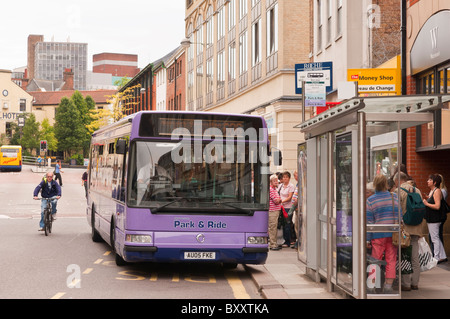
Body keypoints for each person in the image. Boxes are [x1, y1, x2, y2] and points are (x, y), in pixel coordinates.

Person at [366, 174, 399, 293]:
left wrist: (367, 239)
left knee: (375, 260)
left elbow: (369, 221)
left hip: (377, 235)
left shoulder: (370, 200)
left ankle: (371, 285)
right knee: (391, 260)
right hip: (392, 234)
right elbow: (399, 216)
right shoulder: (393, 197)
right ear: (386, 184)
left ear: (375, 184)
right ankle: (388, 286)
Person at [394, 171, 424, 291]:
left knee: (405, 257)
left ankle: (406, 284)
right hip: (416, 228)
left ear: (397, 180)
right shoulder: (417, 191)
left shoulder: (398, 191)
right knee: (415, 257)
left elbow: (397, 210)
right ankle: (415, 283)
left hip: (404, 229)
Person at [423, 174, 447, 263]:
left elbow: (437, 206)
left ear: (435, 182)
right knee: (435, 237)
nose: (427, 181)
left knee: (434, 238)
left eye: (429, 180)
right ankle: (442, 255)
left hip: (435, 219)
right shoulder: (432, 191)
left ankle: (436, 257)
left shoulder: (437, 191)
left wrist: (426, 203)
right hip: (431, 218)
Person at [278, 171, 295, 248]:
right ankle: (283, 240)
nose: (285, 179)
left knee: (287, 224)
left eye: (286, 177)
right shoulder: (281, 185)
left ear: (289, 178)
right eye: (283, 177)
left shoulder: (291, 186)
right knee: (282, 224)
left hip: (288, 207)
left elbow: (289, 197)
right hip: (281, 207)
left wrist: (282, 201)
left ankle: (288, 241)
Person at [269, 174, 282, 251]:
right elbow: (276, 201)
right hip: (272, 211)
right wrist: (280, 200)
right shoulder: (271, 189)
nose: (276, 182)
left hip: (276, 211)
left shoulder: (275, 189)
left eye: (277, 180)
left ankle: (274, 243)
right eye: (274, 181)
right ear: (271, 182)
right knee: (272, 227)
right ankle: (272, 244)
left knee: (274, 227)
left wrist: (279, 199)